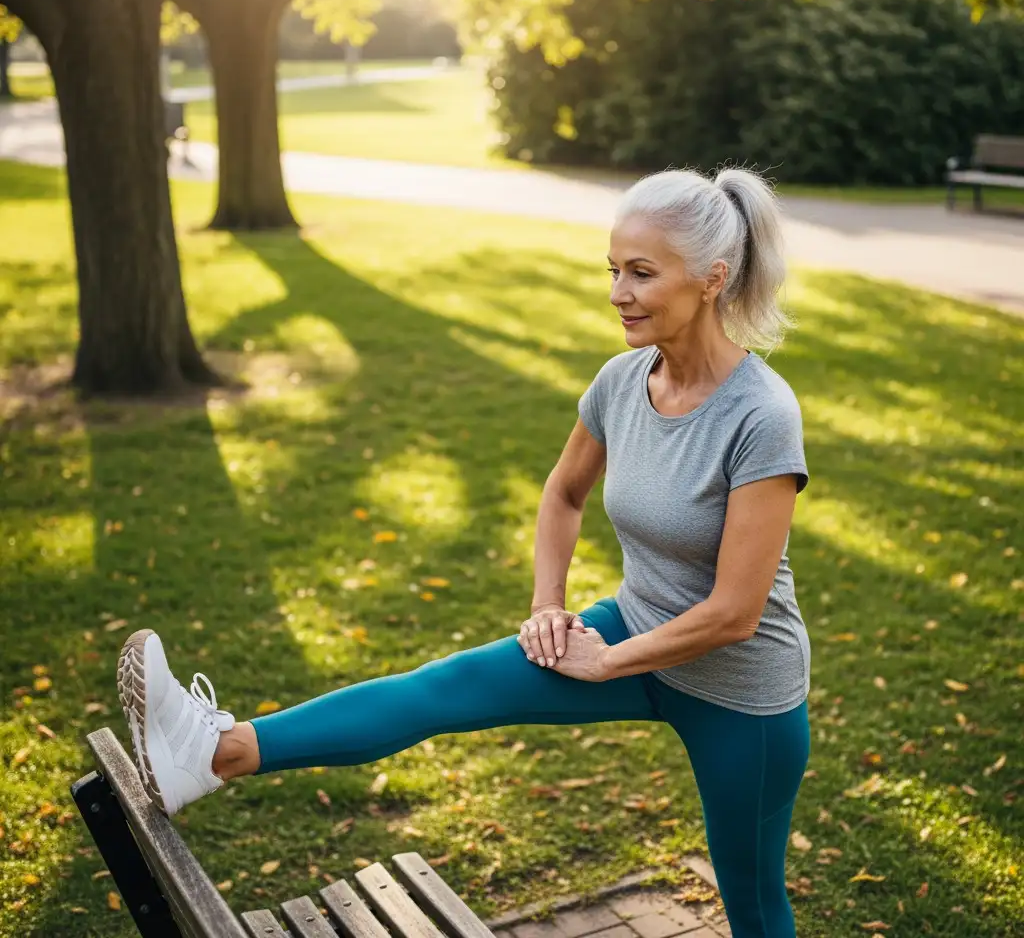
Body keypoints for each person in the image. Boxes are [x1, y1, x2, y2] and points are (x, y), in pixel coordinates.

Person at [116, 166, 811, 938]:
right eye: (613, 269)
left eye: (642, 273)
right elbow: (562, 495)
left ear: (713, 279)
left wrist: (608, 661)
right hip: (632, 629)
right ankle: (213, 755)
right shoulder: (623, 380)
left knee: (752, 902)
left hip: (740, 691)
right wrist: (549, 610)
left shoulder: (761, 415)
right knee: (442, 689)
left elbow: (735, 612)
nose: (617, 291)